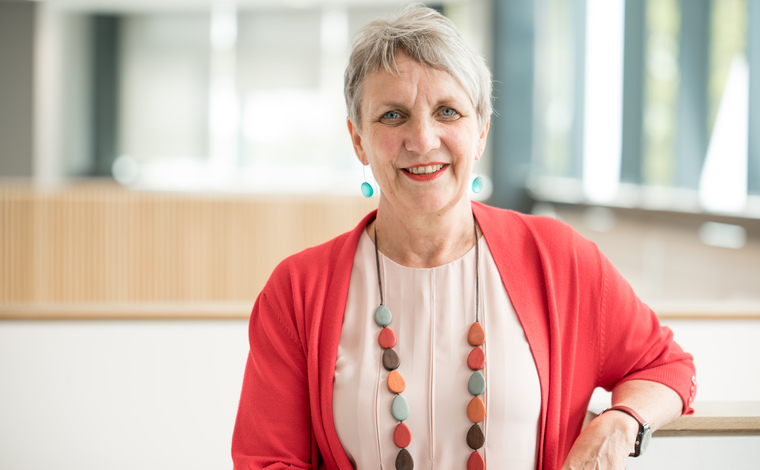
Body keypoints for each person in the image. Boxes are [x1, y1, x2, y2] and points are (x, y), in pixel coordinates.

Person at [232, 5, 696, 469]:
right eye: (393, 115)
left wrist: (619, 423)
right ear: (358, 140)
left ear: (481, 133)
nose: (422, 138)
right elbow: (266, 460)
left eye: (447, 111)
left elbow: (664, 365)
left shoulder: (557, 258)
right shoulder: (297, 292)